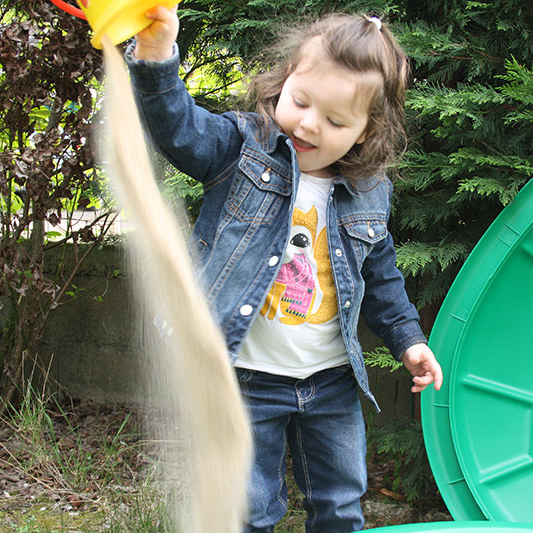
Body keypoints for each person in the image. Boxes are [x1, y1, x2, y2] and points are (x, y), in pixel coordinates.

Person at [125, 7, 443, 532]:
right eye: (300, 100)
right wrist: (157, 55)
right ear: (284, 81)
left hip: (332, 381)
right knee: (250, 509)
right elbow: (177, 127)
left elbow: (382, 277)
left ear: (366, 131)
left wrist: (409, 340)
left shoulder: (370, 192)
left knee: (341, 505)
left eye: (336, 121)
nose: (309, 123)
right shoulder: (240, 150)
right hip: (244, 380)